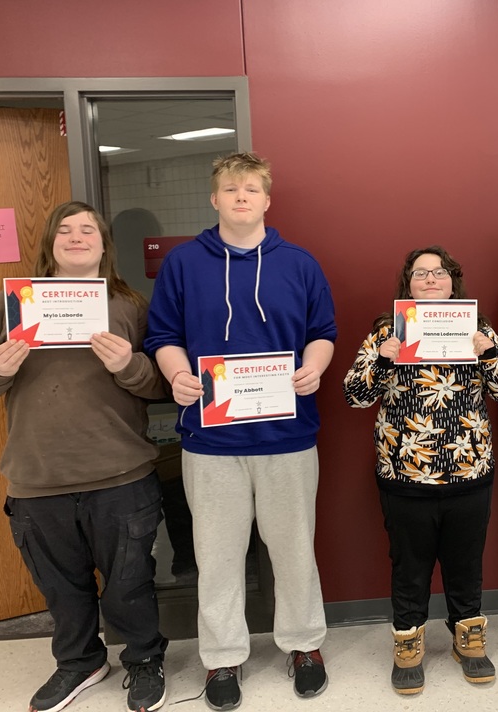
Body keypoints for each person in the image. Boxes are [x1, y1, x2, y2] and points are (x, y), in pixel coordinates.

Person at [0, 202, 169, 712]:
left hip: (120, 473)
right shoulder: (15, 304)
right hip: (37, 478)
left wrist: (129, 365)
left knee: (129, 583)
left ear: (103, 245)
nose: (77, 238)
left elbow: (164, 384)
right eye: (66, 230)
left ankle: (144, 659)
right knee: (61, 588)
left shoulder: (131, 306)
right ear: (51, 243)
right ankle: (80, 662)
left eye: (88, 231)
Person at [144, 152, 337, 706]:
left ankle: (304, 644)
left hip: (289, 437)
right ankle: (223, 659)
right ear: (215, 199)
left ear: (267, 200)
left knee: (295, 550)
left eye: (251, 189)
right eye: (231, 189)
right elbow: (163, 335)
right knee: (218, 556)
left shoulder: (299, 263)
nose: (241, 197)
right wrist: (178, 374)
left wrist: (316, 366)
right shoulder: (184, 263)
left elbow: (323, 330)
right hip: (211, 441)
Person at [342, 246, 498, 694]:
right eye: (419, 273)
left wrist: (490, 355)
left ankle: (468, 637)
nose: (429, 279)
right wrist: (384, 358)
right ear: (408, 284)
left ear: (452, 281)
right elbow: (354, 396)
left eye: (438, 272)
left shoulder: (478, 329)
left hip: (469, 471)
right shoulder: (387, 330)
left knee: (466, 562)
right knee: (409, 566)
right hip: (405, 474)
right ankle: (408, 642)